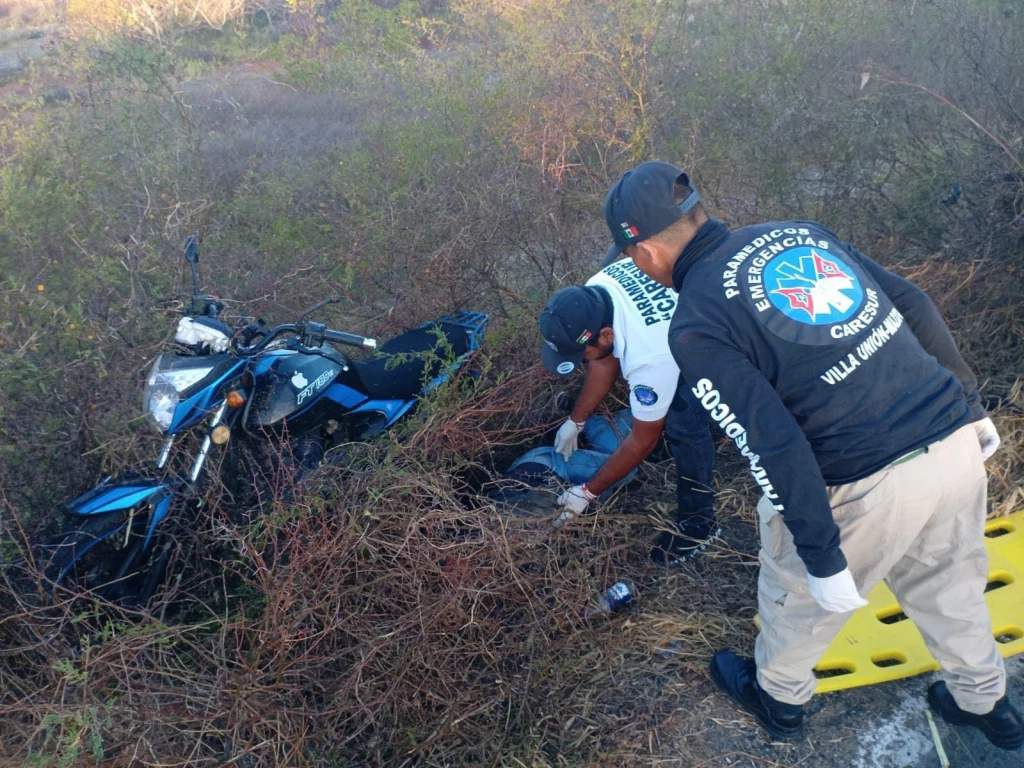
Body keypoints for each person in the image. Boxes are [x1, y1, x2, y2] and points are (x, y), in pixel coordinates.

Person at [601, 160, 1023, 749]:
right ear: (698, 210)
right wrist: (969, 402)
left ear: (641, 252)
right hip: (951, 444)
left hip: (862, 484)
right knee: (951, 580)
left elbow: (769, 439)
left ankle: (777, 701)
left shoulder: (696, 321)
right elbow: (912, 301)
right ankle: (985, 702)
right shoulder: (800, 233)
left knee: (796, 600)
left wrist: (821, 557)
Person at [538, 259, 718, 564]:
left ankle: (699, 522)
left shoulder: (649, 357)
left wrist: (586, 492)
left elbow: (642, 439)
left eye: (581, 355)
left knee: (683, 421)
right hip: (697, 306)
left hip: (720, 335)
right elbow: (603, 358)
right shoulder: (599, 291)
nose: (582, 362)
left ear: (605, 334)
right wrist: (576, 420)